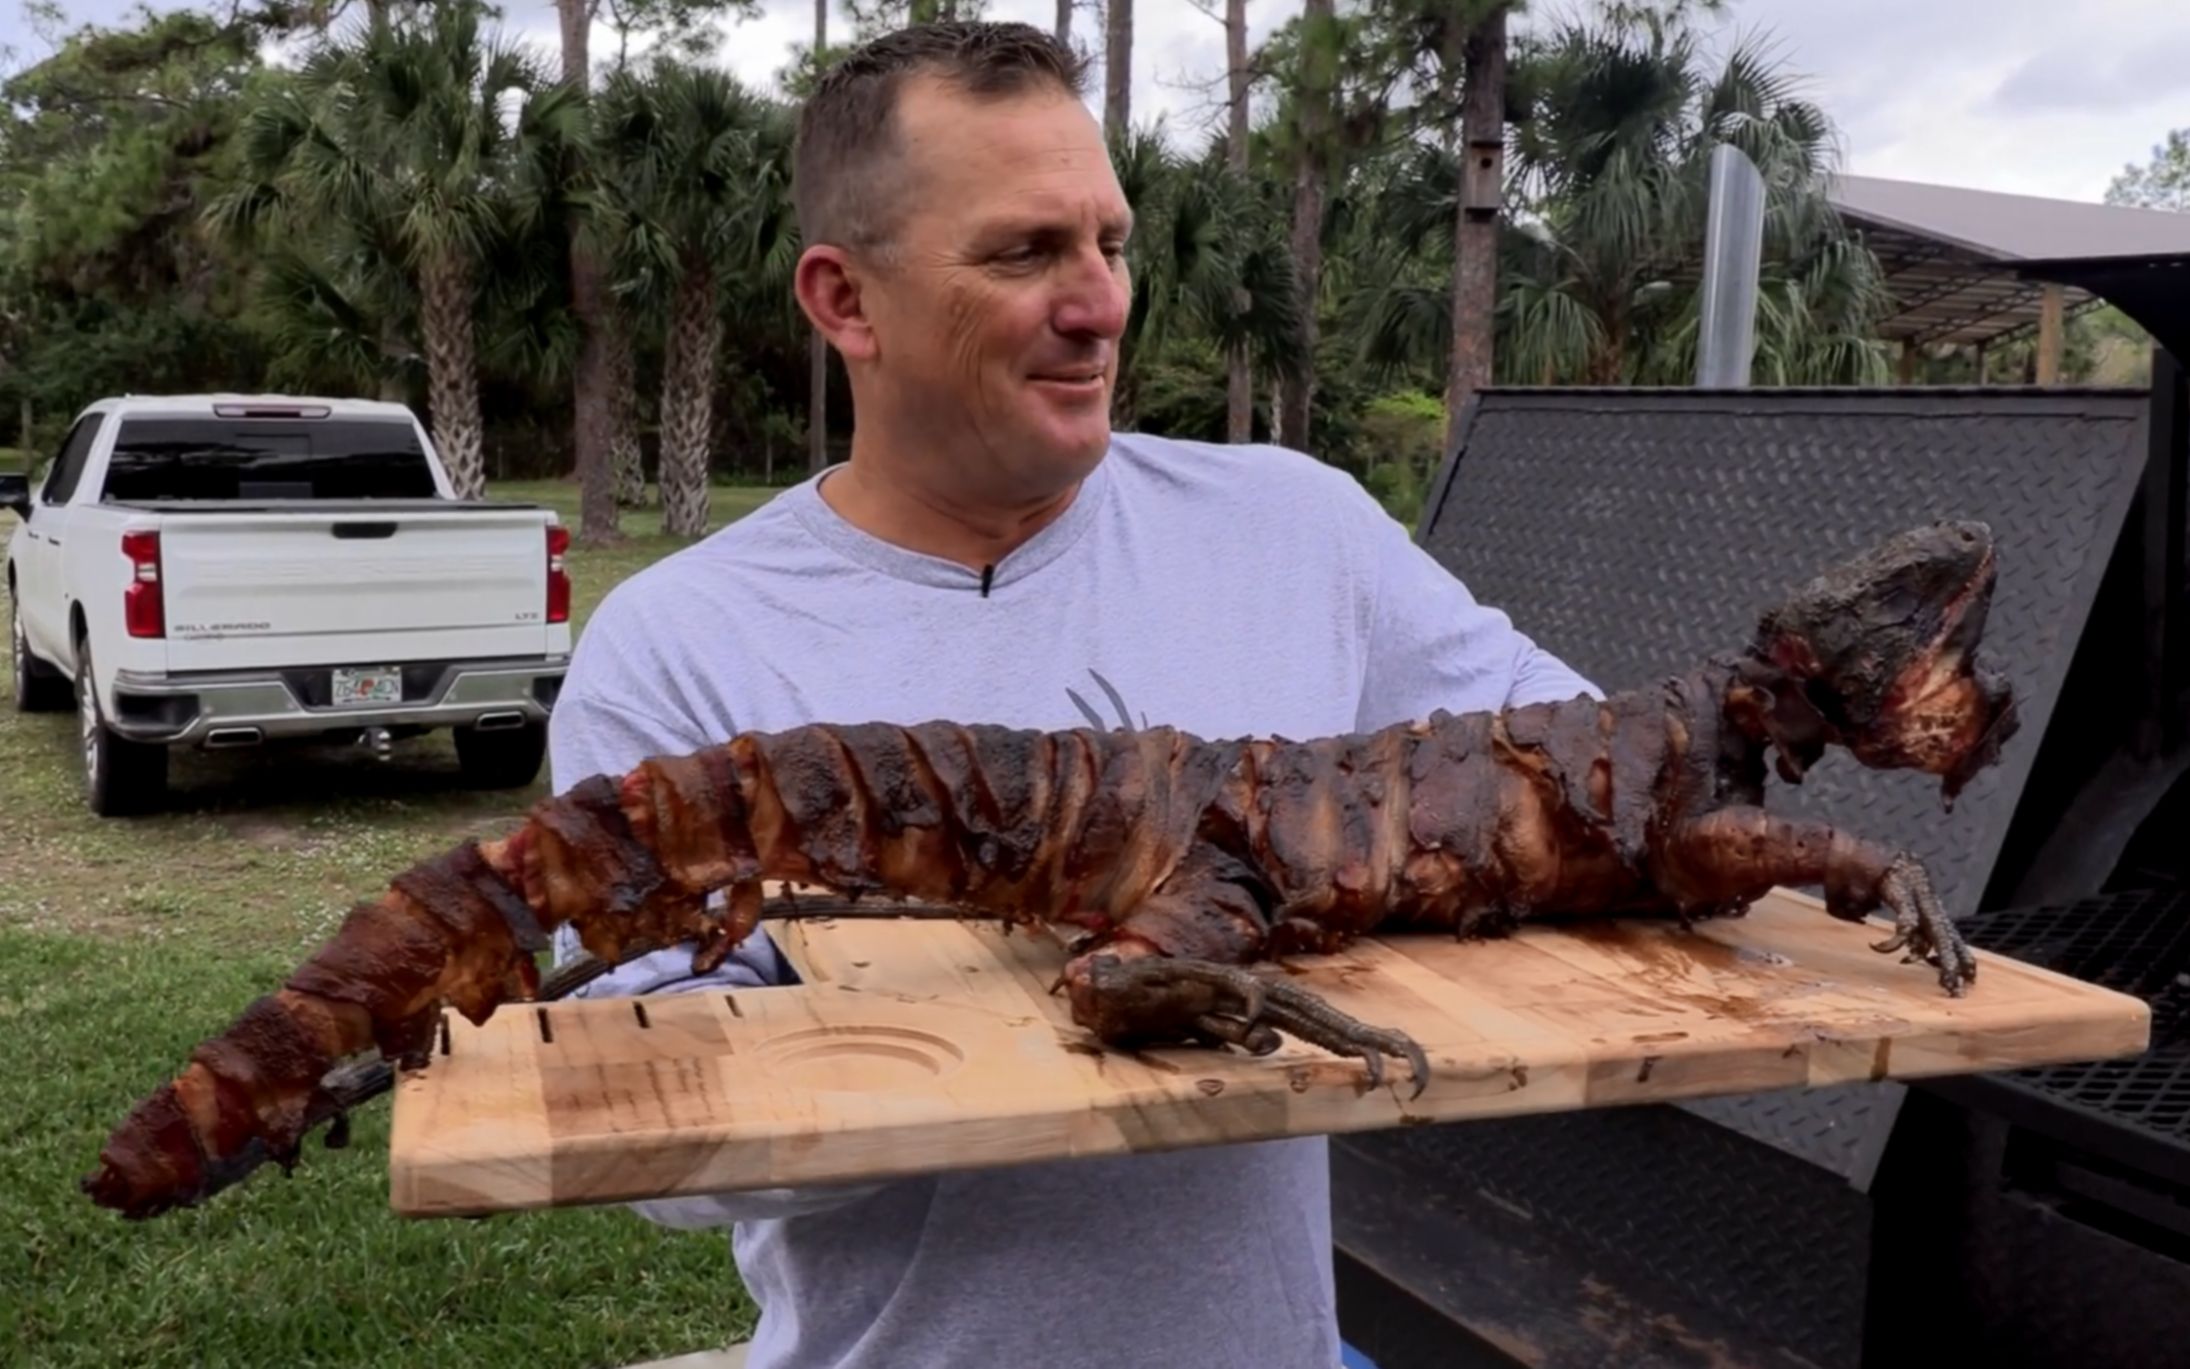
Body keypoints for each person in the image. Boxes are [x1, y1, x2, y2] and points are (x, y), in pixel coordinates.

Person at [547, 20, 1597, 1369]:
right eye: (1023, 252)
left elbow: (1564, 757)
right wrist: (1074, 979)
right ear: (845, 300)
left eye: (1109, 242)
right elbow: (650, 1111)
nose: (1099, 303)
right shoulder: (685, 642)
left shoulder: (1294, 532)